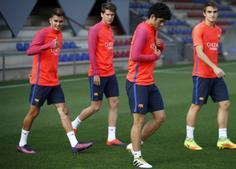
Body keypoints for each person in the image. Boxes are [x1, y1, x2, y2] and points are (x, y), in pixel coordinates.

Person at [16, 8, 93, 154]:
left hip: (54, 81)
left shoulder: (60, 35)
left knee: (63, 110)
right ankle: (22, 144)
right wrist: (48, 45)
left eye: (60, 21)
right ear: (50, 20)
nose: (58, 24)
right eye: (55, 21)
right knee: (33, 112)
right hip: (41, 81)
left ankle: (74, 144)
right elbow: (30, 51)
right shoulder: (43, 33)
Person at [184, 2, 236, 151]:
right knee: (196, 105)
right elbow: (200, 53)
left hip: (214, 75)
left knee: (225, 104)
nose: (212, 14)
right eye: (209, 12)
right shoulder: (198, 29)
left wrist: (215, 67)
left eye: (215, 11)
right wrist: (215, 67)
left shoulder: (218, 30)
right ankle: (189, 139)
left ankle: (222, 139)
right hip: (201, 75)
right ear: (204, 13)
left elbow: (212, 51)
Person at [71, 2, 125, 146]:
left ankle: (111, 138)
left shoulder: (110, 30)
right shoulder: (94, 30)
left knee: (114, 103)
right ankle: (74, 124)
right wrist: (96, 72)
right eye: (107, 14)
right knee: (95, 107)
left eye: (112, 15)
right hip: (98, 74)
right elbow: (92, 53)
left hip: (110, 73)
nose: (110, 17)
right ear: (102, 14)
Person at [125, 3, 171, 168]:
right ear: (152, 17)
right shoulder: (143, 29)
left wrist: (160, 47)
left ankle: (134, 144)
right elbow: (135, 55)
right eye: (161, 21)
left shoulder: (153, 30)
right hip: (137, 82)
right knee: (139, 121)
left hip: (149, 81)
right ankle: (137, 157)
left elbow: (154, 50)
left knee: (160, 118)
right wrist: (154, 57)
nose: (162, 24)